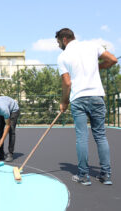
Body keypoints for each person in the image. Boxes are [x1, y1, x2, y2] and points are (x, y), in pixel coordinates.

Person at [56, 28, 117, 186]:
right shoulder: (93, 45)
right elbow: (112, 60)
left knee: (82, 138)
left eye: (58, 43)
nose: (58, 46)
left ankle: (83, 176)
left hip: (79, 99)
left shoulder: (63, 56)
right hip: (97, 96)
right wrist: (99, 67)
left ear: (64, 40)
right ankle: (106, 175)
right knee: (100, 136)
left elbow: (67, 83)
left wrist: (64, 101)